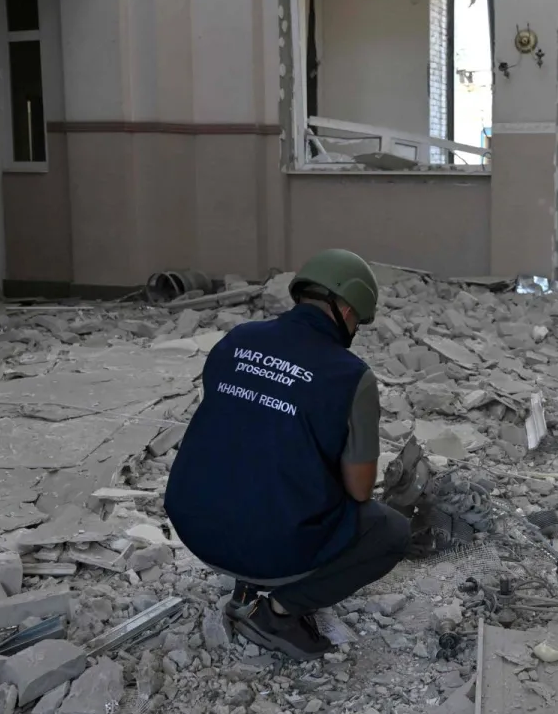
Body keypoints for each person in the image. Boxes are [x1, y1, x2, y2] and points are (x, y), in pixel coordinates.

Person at [163, 249, 410, 660]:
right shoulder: (350, 376)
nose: (354, 329)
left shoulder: (236, 340)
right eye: (357, 320)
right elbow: (361, 489)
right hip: (268, 544)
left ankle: (245, 583)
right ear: (345, 307)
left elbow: (237, 434)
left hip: (194, 524)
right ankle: (276, 610)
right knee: (390, 531)